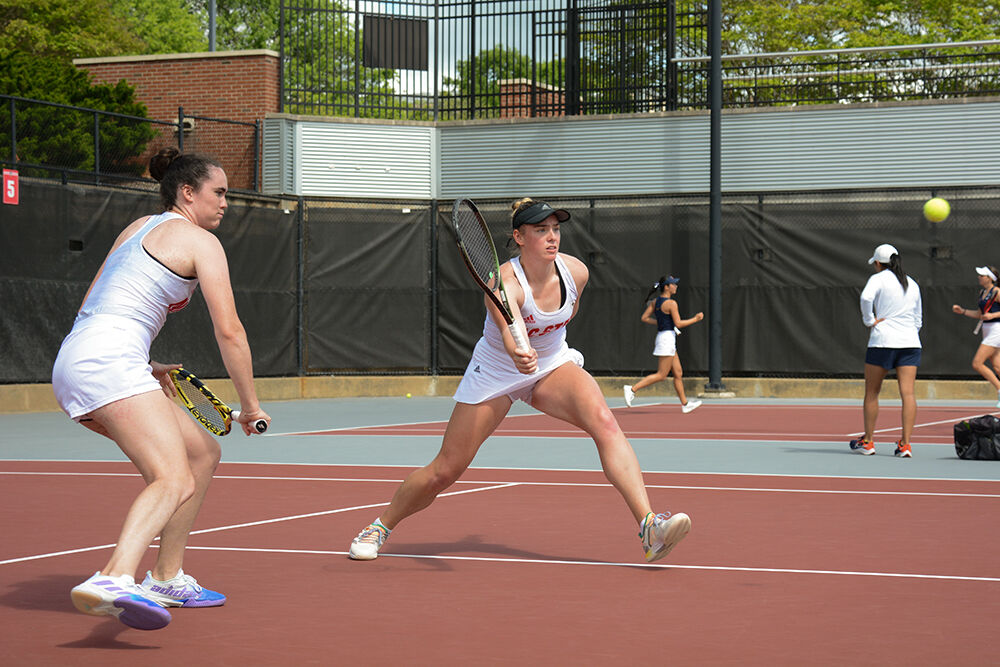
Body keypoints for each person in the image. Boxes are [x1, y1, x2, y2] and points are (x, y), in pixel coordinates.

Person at [347, 198, 691, 563]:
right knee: (444, 470)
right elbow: (509, 335)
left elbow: (561, 321)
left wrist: (537, 355)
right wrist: (518, 350)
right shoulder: (503, 282)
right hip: (497, 372)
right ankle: (380, 526)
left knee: (605, 422)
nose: (552, 237)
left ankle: (649, 526)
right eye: (541, 230)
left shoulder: (576, 273)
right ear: (519, 237)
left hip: (553, 365)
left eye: (556, 229)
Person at [52, 148, 271, 630]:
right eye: (220, 193)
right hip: (108, 362)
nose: (226, 203)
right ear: (187, 192)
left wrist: (144, 363)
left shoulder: (135, 229)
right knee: (172, 478)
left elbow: (96, 304)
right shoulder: (201, 242)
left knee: (200, 455)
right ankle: (114, 576)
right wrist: (251, 405)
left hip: (79, 358)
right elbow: (230, 330)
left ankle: (166, 577)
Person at [849, 243, 921, 458]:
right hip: (910, 343)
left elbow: (865, 298)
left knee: (872, 393)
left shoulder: (877, 279)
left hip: (883, 342)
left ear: (878, 263)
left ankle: (869, 442)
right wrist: (909, 332)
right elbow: (918, 318)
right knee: (908, 394)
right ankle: (905, 445)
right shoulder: (912, 283)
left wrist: (869, 320)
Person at [623, 275, 704, 412]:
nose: (676, 286)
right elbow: (678, 323)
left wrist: (663, 324)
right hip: (666, 339)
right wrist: (695, 319)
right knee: (661, 375)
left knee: (678, 373)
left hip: (665, 337)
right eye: (673, 284)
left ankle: (685, 404)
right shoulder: (671, 304)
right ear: (667, 287)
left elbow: (645, 318)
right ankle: (632, 389)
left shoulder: (655, 302)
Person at [951, 266, 1000, 408]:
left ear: (990, 278)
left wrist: (993, 315)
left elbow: (990, 314)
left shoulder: (997, 292)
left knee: (977, 363)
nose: (979, 277)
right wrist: (963, 311)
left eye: (982, 275)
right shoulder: (982, 293)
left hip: (997, 329)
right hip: (986, 329)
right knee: (997, 366)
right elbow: (980, 314)